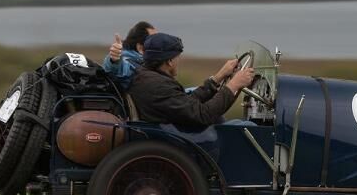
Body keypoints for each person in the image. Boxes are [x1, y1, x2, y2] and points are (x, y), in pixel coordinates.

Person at [127, 32, 256, 133]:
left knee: (234, 123)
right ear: (170, 61)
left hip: (171, 129)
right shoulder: (158, 86)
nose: (178, 61)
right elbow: (203, 114)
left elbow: (186, 103)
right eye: (177, 57)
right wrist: (234, 84)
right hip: (180, 138)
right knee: (249, 127)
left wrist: (218, 77)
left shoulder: (146, 77)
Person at [103, 20, 156, 89]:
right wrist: (114, 61)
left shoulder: (144, 61)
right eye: (154, 41)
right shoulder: (128, 61)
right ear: (140, 47)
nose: (158, 42)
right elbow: (120, 68)